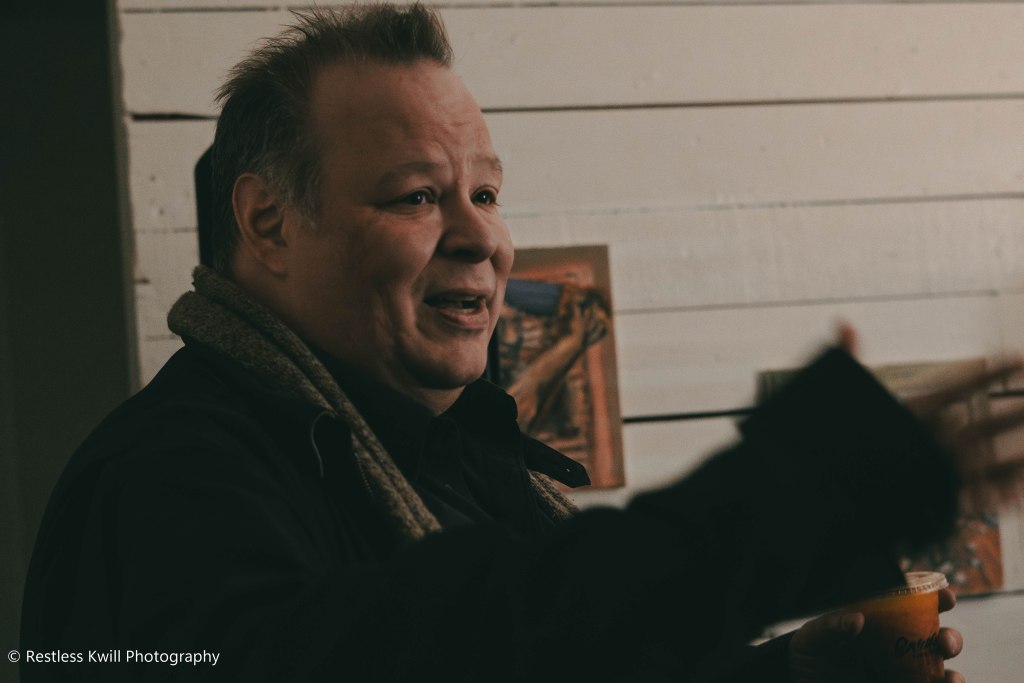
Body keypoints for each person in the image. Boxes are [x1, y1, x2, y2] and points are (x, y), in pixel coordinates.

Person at [20, 4, 1024, 681]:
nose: (484, 239)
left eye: (487, 193)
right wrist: (791, 500)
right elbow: (401, 653)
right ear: (268, 223)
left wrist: (781, 678)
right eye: (417, 195)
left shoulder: (460, 451)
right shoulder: (163, 480)